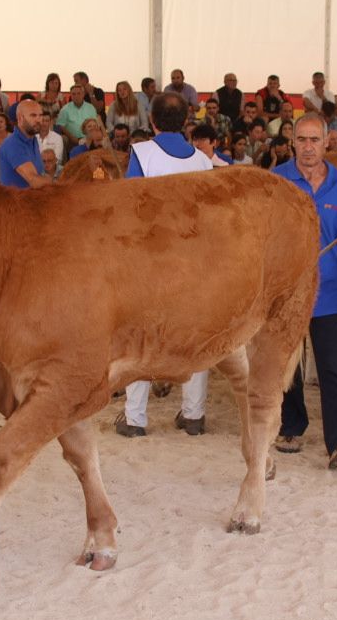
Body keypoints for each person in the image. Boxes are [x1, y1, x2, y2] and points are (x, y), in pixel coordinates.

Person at [113, 93, 219, 440]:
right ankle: (193, 415)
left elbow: (132, 211)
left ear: (153, 120)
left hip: (152, 263)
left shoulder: (142, 153)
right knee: (194, 338)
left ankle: (135, 418)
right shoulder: (204, 162)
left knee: (141, 339)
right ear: (186, 120)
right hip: (195, 263)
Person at [273, 114, 337, 470]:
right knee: (289, 366)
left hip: (330, 291)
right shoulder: (278, 181)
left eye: (315, 140)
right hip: (287, 291)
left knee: (332, 367)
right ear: (292, 142)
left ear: (327, 142)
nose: (308, 147)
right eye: (301, 139)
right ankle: (291, 426)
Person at [0, 99, 50, 189]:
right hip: (15, 201)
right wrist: (59, 182)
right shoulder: (13, 144)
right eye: (33, 115)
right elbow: (34, 181)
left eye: (40, 115)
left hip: (31, 198)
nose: (39, 120)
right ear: (20, 118)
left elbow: (39, 173)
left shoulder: (33, 138)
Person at [56, 83, 97, 147]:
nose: (76, 96)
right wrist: (72, 138)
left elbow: (96, 124)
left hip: (89, 139)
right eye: (73, 94)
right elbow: (61, 126)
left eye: (79, 93)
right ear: (71, 96)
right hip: (72, 140)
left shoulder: (90, 108)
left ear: (83, 94)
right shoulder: (65, 109)